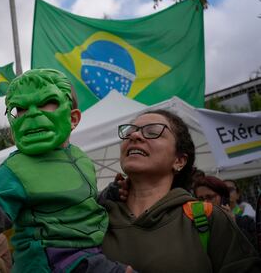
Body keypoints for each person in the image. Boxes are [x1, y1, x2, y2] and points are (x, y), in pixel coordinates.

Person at [0, 69, 132, 272]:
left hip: (92, 252)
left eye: (45, 103)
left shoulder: (82, 159)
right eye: (19, 108)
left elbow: (85, 205)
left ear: (73, 118)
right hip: (49, 259)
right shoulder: (15, 168)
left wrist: (110, 195)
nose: (30, 114)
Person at [99, 109, 261, 273]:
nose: (135, 136)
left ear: (179, 161)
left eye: (153, 132)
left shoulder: (208, 219)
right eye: (129, 132)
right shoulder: (96, 215)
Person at [193, 175, 257, 249]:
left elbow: (255, 249)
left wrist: (234, 226)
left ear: (223, 199)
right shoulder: (196, 227)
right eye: (200, 199)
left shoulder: (246, 222)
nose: (205, 203)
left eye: (210, 197)